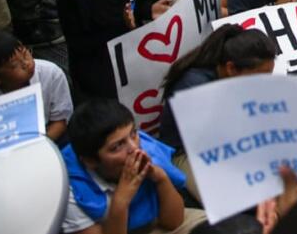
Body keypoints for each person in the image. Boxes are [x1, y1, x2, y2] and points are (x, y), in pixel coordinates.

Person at [155, 25, 276, 197]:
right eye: (260, 77)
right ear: (231, 68)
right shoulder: (193, 86)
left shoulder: (234, 79)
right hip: (184, 153)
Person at [60, 98, 202, 234]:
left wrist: (161, 178)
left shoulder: (148, 150)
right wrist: (121, 201)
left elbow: (174, 222)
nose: (135, 148)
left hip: (154, 225)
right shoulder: (71, 191)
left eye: (133, 134)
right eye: (117, 146)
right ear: (91, 161)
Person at [0, 29, 72, 140]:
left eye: (25, 54)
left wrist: (41, 146)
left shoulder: (51, 73)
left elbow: (60, 121)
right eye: (15, 65)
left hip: (48, 136)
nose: (26, 63)